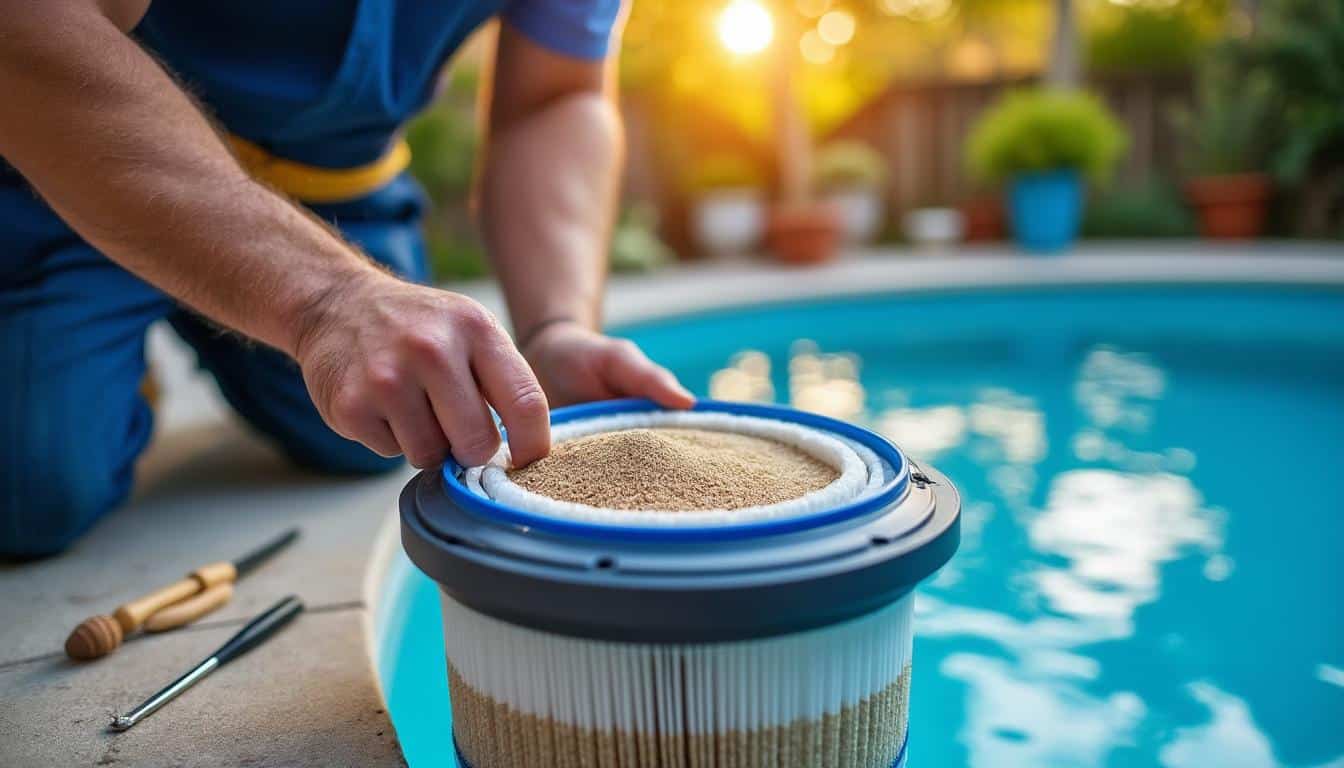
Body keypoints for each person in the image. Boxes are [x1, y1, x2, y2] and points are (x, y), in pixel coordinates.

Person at [0, 0, 694, 558]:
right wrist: (328, 300)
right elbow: (29, 24)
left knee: (381, 428)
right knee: (33, 492)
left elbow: (557, 95)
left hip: (333, 186)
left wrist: (555, 328)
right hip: (78, 156)